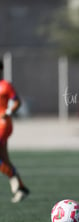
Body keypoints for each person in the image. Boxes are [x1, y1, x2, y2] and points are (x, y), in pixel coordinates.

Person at [0, 61, 29, 203]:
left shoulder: (5, 85)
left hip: (3, 124)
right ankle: (21, 188)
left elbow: (17, 102)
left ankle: (14, 179)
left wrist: (8, 112)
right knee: (4, 160)